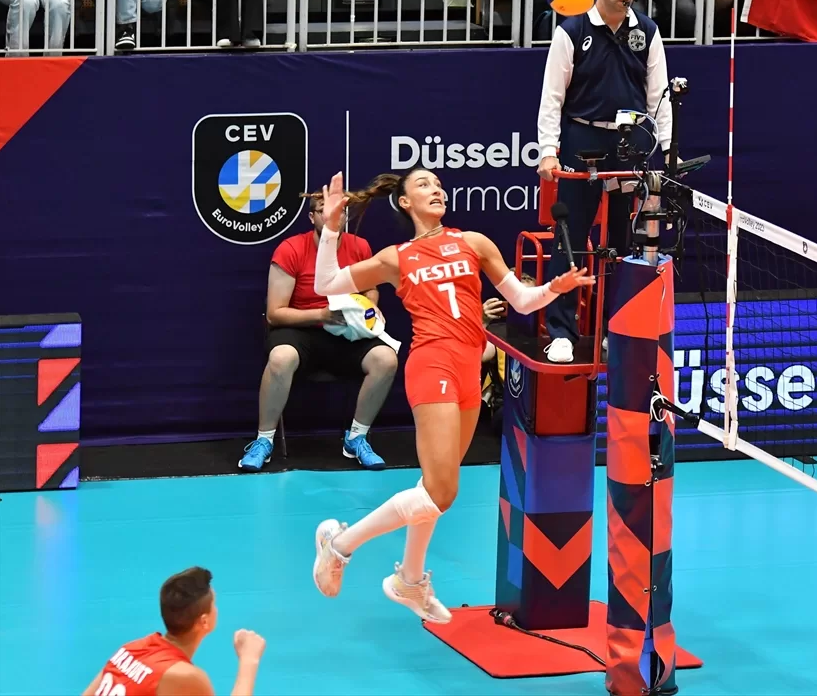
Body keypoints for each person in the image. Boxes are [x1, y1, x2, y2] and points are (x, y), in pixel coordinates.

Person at [308, 168, 592, 621]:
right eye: (423, 184)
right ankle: (340, 545)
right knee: (442, 492)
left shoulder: (473, 242)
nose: (436, 189)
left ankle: (409, 580)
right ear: (404, 202)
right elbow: (326, 285)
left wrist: (552, 290)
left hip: (468, 367)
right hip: (432, 362)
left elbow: (522, 300)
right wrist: (331, 230)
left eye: (438, 184)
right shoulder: (396, 257)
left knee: (434, 488)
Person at [536, 0, 673, 363]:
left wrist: (666, 152)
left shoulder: (647, 31)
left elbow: (659, 97)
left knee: (623, 241)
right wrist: (548, 151)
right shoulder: (571, 31)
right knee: (571, 236)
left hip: (629, 145)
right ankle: (562, 331)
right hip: (583, 140)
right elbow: (552, 98)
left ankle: (616, 328)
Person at [239, 193, 397, 472]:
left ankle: (356, 438)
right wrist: (321, 315)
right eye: (324, 210)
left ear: (345, 217)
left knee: (386, 359)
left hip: (347, 331)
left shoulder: (359, 246)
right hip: (301, 329)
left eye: (339, 210)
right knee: (281, 357)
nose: (333, 215)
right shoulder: (291, 249)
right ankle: (263, 441)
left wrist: (370, 307)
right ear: (312, 217)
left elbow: (371, 289)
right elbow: (275, 313)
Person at [81, 567, 266, 696]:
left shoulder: (130, 649)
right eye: (214, 604)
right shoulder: (185, 677)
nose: (216, 609)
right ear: (204, 621)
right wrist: (248, 660)